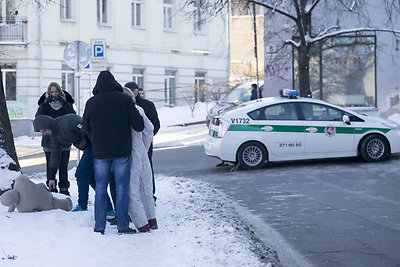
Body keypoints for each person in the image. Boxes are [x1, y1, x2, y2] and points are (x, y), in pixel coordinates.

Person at [83, 71, 144, 235]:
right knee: (122, 188)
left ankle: (99, 226)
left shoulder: (91, 103)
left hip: (101, 152)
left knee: (101, 188)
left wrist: (96, 137)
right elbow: (139, 125)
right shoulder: (124, 100)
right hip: (122, 150)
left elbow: (86, 128)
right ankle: (122, 225)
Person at [123, 87, 158, 232]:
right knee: (146, 187)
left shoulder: (122, 111)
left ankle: (142, 224)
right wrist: (144, 145)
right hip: (141, 149)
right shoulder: (139, 109)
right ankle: (152, 220)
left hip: (130, 150)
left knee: (131, 189)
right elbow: (149, 129)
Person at [36, 82, 75, 195]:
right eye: (51, 92)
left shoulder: (66, 102)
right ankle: (51, 186)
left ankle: (64, 187)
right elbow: (39, 117)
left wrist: (64, 103)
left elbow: (72, 115)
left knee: (63, 165)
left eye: (56, 91)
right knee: (50, 164)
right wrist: (45, 104)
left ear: (60, 92)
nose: (54, 94)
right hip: (49, 139)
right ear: (48, 93)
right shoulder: (45, 103)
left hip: (64, 138)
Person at [33, 114, 87, 195]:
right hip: (86, 147)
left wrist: (89, 142)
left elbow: (87, 129)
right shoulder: (54, 136)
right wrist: (51, 177)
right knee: (86, 176)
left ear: (48, 126)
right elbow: (55, 155)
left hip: (94, 145)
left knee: (83, 174)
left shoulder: (68, 121)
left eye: (44, 131)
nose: (44, 134)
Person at [124, 82, 160, 202]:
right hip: (134, 142)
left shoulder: (147, 105)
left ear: (136, 91)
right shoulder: (125, 105)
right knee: (136, 169)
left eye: (131, 90)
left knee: (146, 168)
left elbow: (154, 125)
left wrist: (147, 138)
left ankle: (150, 194)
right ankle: (139, 195)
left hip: (146, 143)